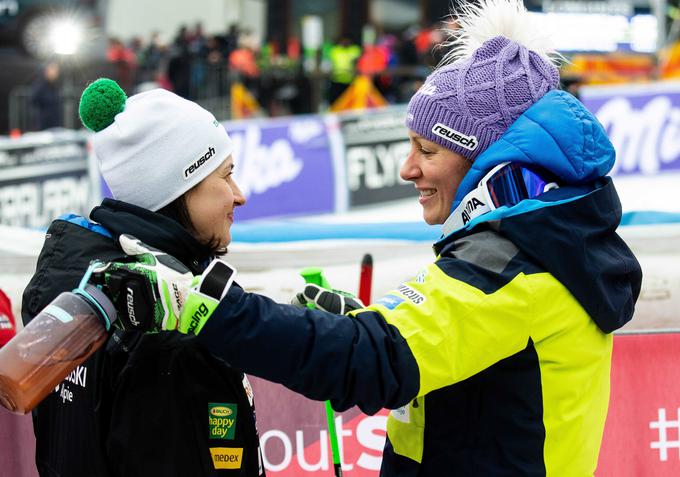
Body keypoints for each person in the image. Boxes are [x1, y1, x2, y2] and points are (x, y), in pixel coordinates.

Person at [105, 1, 642, 475]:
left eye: (427, 151)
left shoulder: (517, 265)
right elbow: (446, 355)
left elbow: (374, 363)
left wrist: (209, 312)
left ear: (486, 158)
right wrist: (367, 326)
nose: (408, 169)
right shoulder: (536, 238)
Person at [21, 78, 264, 477]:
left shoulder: (70, 278)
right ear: (179, 190)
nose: (239, 194)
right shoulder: (171, 325)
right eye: (225, 175)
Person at [31, 62, 62, 130]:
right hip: (43, 122)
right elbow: (33, 100)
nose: (55, 73)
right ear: (47, 71)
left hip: (55, 121)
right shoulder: (40, 84)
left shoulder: (56, 85)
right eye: (53, 70)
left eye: (56, 71)